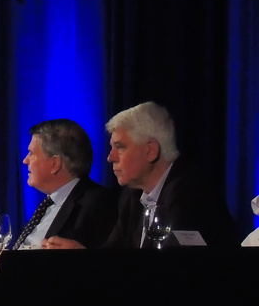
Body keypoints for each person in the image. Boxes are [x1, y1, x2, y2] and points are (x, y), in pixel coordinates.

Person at [44, 101, 237, 249]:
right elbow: (113, 258)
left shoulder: (190, 192)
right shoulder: (132, 195)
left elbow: (175, 270)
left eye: (120, 147)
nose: (110, 158)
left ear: (150, 150)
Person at [11, 119, 117, 249]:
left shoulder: (99, 203)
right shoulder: (48, 205)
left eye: (31, 153)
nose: (25, 160)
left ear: (55, 163)